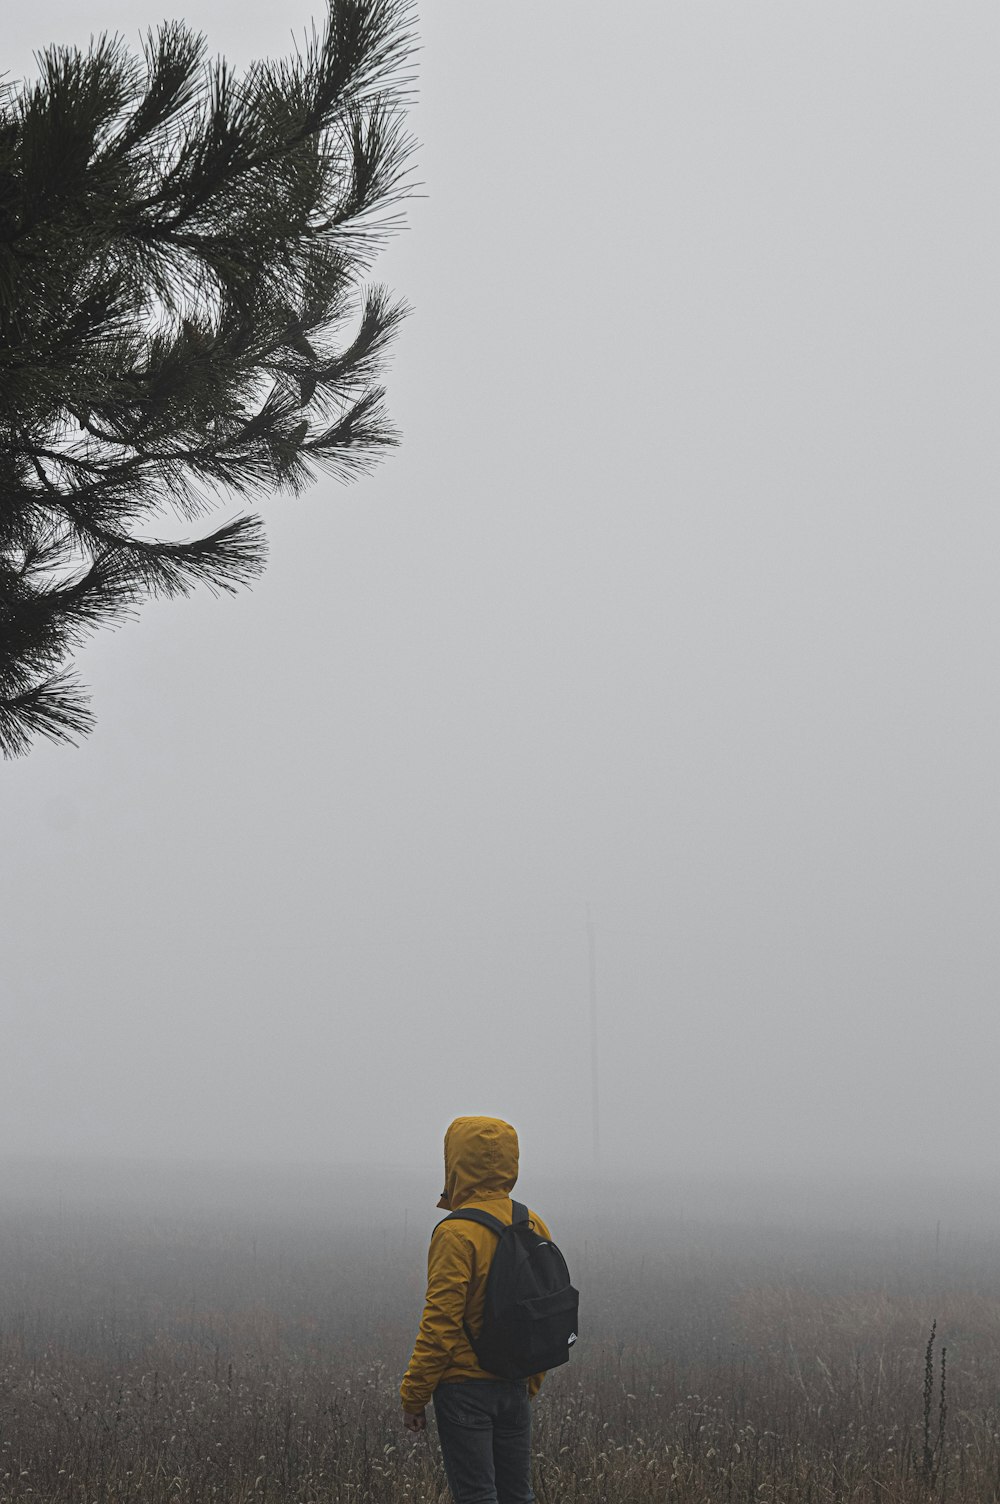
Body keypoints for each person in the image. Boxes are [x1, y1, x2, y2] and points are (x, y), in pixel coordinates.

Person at [400, 1115, 551, 1504]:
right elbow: (545, 1313)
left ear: (455, 1163)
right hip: (515, 1383)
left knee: (476, 1496)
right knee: (519, 1496)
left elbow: (440, 1325)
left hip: (463, 1389)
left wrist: (413, 1396)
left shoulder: (455, 1233)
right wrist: (528, 1382)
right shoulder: (532, 1223)